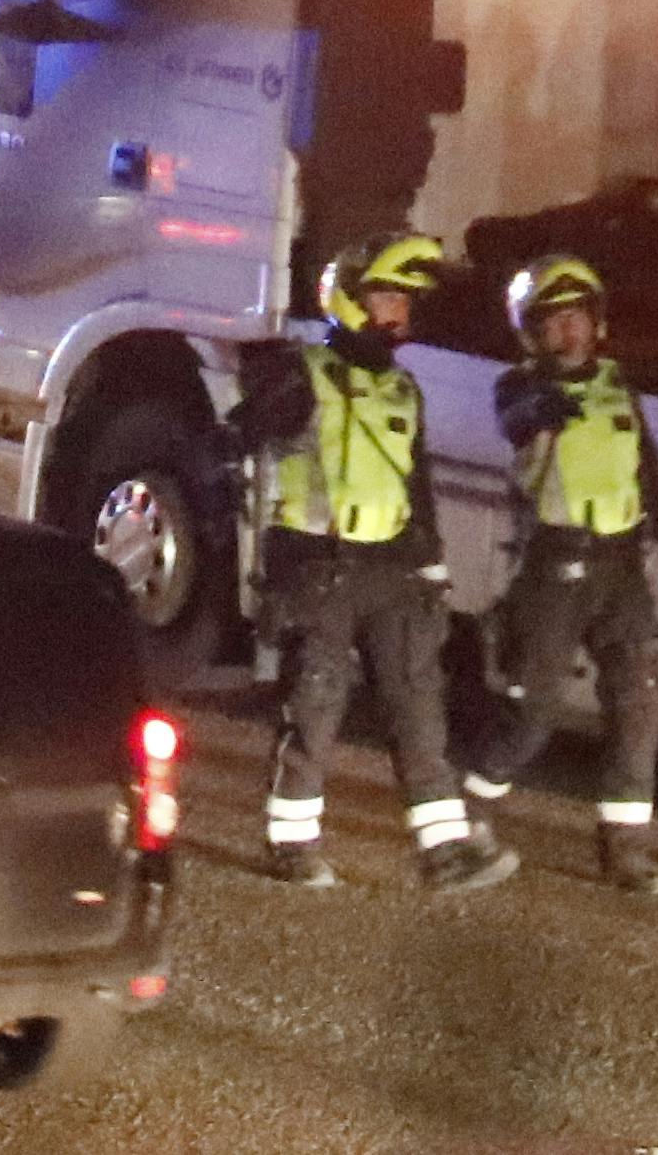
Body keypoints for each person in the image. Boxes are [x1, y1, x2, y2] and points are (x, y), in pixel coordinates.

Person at [232, 231, 517, 893]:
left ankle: (443, 851)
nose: (400, 313)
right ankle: (292, 840)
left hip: (392, 571)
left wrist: (434, 568)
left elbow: (415, 485)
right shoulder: (302, 371)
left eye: (404, 302)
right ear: (351, 300)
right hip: (318, 567)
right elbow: (245, 434)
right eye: (387, 298)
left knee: (420, 708)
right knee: (317, 704)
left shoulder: (402, 389)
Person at [471, 252, 658, 895]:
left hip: (620, 568)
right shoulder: (519, 389)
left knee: (635, 705)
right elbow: (521, 420)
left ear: (598, 324)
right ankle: (473, 812)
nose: (570, 333)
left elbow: (649, 475)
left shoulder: (619, 387)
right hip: (553, 568)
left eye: (579, 319)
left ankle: (624, 849)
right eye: (555, 323)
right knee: (533, 714)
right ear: (532, 334)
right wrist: (549, 400)